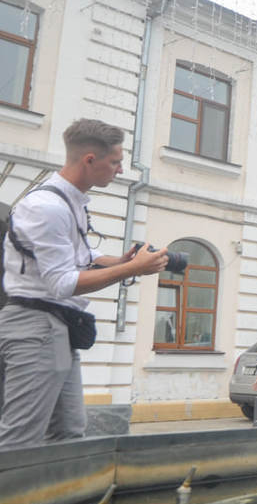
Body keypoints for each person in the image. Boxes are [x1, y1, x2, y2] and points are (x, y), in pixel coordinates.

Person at [0, 118, 169, 450]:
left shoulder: (68, 201)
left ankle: (49, 500)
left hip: (54, 328)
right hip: (36, 326)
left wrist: (124, 261)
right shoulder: (48, 207)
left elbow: (81, 255)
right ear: (90, 160)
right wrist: (130, 269)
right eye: (116, 162)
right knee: (19, 438)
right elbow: (62, 282)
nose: (121, 170)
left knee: (68, 431)